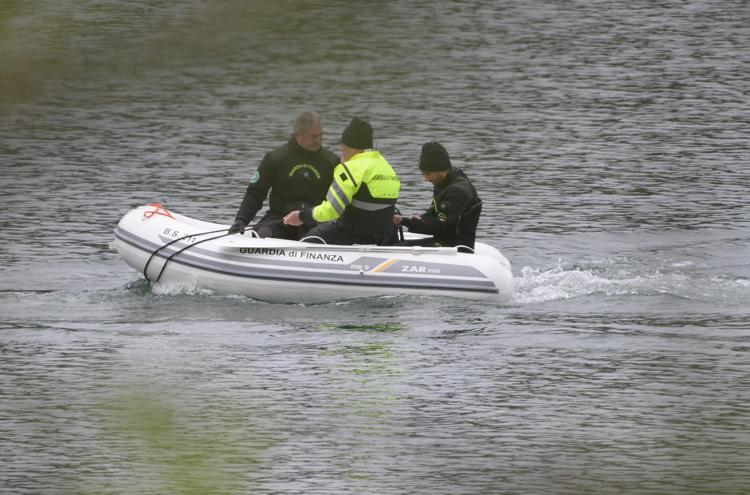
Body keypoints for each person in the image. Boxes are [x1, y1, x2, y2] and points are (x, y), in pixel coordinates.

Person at [283, 117, 400, 245]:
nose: (341, 151)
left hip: (355, 236)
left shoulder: (350, 168)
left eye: (342, 146)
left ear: (352, 147)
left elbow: (331, 211)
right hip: (383, 237)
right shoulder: (385, 166)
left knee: (312, 237)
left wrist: (302, 216)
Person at [228, 111, 339, 239]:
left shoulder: (332, 162)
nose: (319, 140)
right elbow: (255, 193)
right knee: (263, 234)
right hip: (280, 219)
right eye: (313, 136)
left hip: (314, 220)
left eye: (321, 135)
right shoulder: (275, 158)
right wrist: (241, 220)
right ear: (298, 134)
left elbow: (339, 200)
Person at [393, 141, 482, 249]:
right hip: (442, 240)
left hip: (456, 247)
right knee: (394, 245)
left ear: (440, 169)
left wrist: (404, 221)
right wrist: (408, 219)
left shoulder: (457, 191)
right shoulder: (443, 182)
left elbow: (438, 226)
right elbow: (433, 215)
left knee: (396, 248)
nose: (426, 179)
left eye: (428, 174)